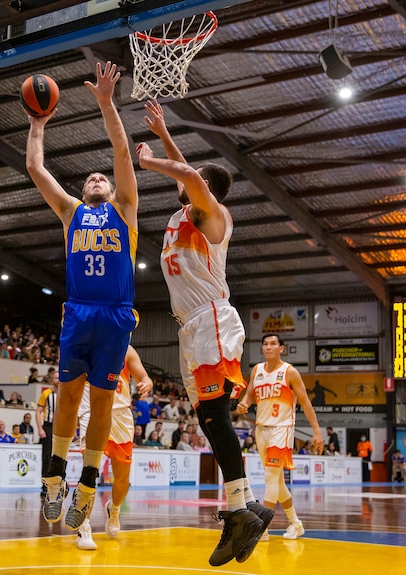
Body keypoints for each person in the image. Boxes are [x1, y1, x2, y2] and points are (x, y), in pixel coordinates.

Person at [138, 99, 268, 566]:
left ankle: (239, 513)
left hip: (212, 320)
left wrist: (152, 159)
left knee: (215, 417)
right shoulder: (181, 216)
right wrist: (166, 133)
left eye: (194, 182)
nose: (184, 181)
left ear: (207, 191)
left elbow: (191, 178)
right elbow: (189, 174)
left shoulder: (213, 217)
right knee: (210, 421)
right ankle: (246, 504)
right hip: (188, 328)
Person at [27, 61, 140, 532]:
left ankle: (88, 484)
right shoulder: (71, 211)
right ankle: (54, 477)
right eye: (90, 178)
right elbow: (35, 167)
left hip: (115, 316)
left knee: (102, 403)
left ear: (113, 190)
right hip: (78, 313)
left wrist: (107, 103)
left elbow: (120, 149)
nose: (96, 179)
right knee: (68, 399)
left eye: (102, 179)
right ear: (81, 190)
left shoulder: (126, 210)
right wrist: (37, 125)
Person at [236, 333, 324, 541]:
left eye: (273, 344)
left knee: (270, 477)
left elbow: (305, 402)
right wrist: (245, 403)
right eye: (265, 344)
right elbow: (250, 393)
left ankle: (262, 527)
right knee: (276, 481)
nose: (268, 347)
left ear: (281, 348)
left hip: (282, 428)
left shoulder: (289, 372)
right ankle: (296, 523)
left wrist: (317, 431)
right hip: (261, 429)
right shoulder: (256, 370)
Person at [74, 345, 153, 551]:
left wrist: (146, 382)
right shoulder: (84, 340)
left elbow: (144, 376)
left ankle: (114, 508)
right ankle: (84, 525)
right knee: (89, 472)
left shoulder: (126, 349)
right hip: (90, 413)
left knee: (122, 478)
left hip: (120, 416)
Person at [36, 379, 58, 493]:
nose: (57, 380)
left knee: (59, 457)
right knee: (46, 457)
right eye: (55, 377)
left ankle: (57, 484)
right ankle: (45, 485)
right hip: (48, 426)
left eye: (59, 377)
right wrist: (40, 428)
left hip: (61, 427)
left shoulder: (65, 392)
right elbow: (38, 411)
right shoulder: (46, 393)